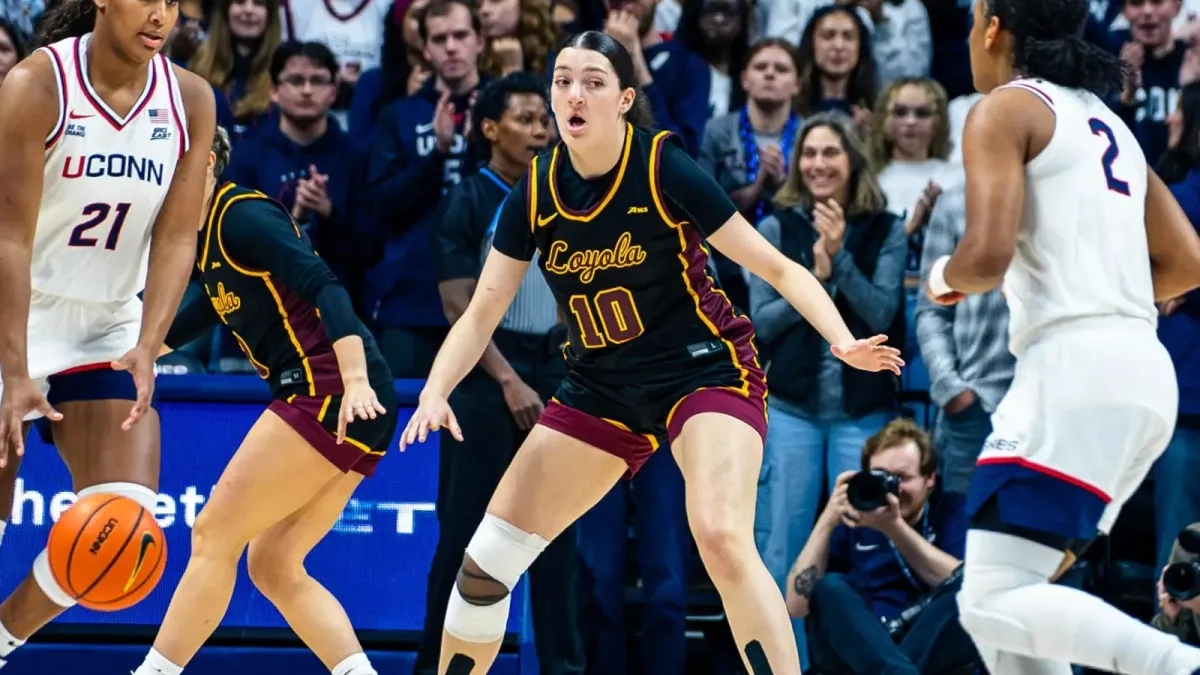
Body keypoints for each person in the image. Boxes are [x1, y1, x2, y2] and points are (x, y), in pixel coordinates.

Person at [401, 30, 904, 675]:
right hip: (602, 388)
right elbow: (478, 315)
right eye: (562, 80)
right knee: (484, 568)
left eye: (593, 81)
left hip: (705, 371)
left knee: (721, 537)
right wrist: (436, 390)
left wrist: (841, 338)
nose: (573, 94)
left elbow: (777, 267)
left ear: (624, 98)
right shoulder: (533, 192)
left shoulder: (662, 165)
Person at [925, 0, 1200, 672]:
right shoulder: (1109, 122)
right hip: (1141, 372)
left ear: (992, 26)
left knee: (987, 600)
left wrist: (938, 278)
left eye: (971, 24)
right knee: (1011, 613)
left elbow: (983, 259)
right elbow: (1189, 260)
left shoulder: (1002, 108)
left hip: (1075, 371)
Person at [132, 127, 397, 675]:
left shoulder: (242, 216)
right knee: (273, 563)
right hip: (351, 399)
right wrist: (144, 352)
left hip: (332, 389)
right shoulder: (203, 238)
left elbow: (326, 284)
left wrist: (355, 381)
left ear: (206, 163)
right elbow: (214, 304)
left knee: (213, 533)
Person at [0, 0, 216, 666]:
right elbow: (7, 236)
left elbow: (180, 233)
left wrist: (149, 343)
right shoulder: (37, 84)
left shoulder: (190, 99)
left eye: (173, 2)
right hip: (13, 307)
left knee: (121, 522)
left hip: (105, 320)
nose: (160, 15)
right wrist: (13, 372)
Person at [784, 418, 977, 674]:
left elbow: (969, 585)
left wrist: (894, 527)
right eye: (881, 477)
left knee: (967, 592)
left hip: (923, 645)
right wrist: (828, 518)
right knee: (830, 587)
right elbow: (797, 605)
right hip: (859, 648)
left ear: (930, 478)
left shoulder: (951, 511)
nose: (892, 489)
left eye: (902, 478)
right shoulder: (851, 520)